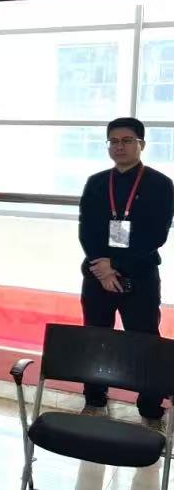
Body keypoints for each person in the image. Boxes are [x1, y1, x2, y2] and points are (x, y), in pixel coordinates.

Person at [78, 117, 174, 424]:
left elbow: (156, 235)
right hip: (97, 274)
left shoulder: (160, 184)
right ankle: (95, 399)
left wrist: (115, 266)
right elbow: (87, 230)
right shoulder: (96, 182)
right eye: (114, 141)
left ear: (141, 144)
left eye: (127, 141)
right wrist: (103, 268)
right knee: (96, 336)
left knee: (145, 340)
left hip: (140, 274)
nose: (120, 146)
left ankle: (150, 407)